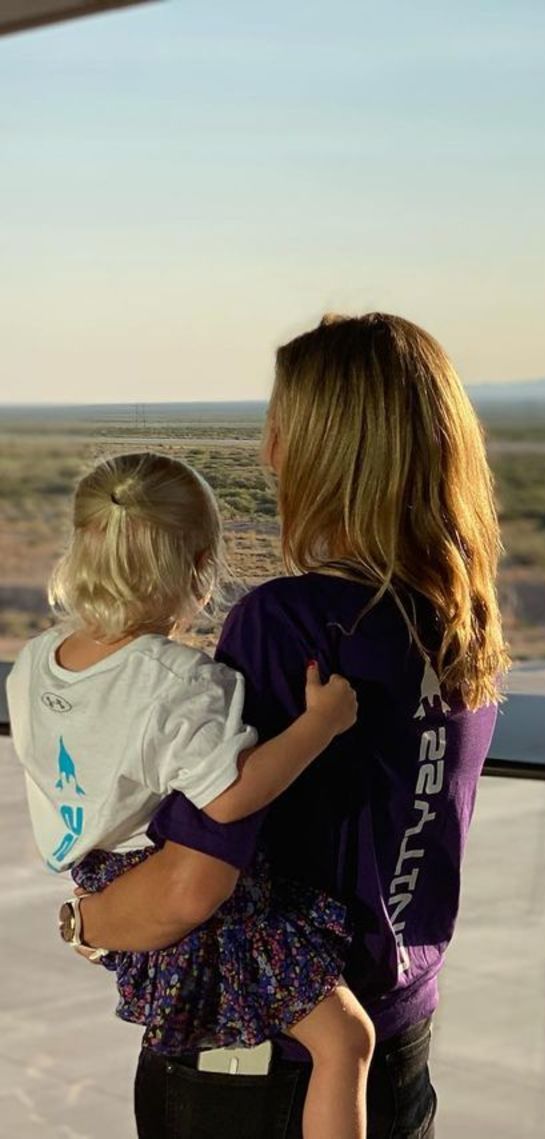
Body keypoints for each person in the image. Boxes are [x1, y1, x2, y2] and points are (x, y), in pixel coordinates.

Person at [70, 313, 509, 1139]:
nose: (269, 452)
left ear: (324, 452)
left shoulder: (291, 624)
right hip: (399, 1049)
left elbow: (191, 885)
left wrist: (83, 922)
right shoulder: (462, 626)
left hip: (257, 1075)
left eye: (283, 427)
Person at [7, 451, 371, 1137]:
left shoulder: (33, 663)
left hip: (106, 876)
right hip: (194, 907)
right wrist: (321, 724)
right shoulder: (180, 683)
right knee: (345, 1040)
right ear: (200, 569)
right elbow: (229, 796)